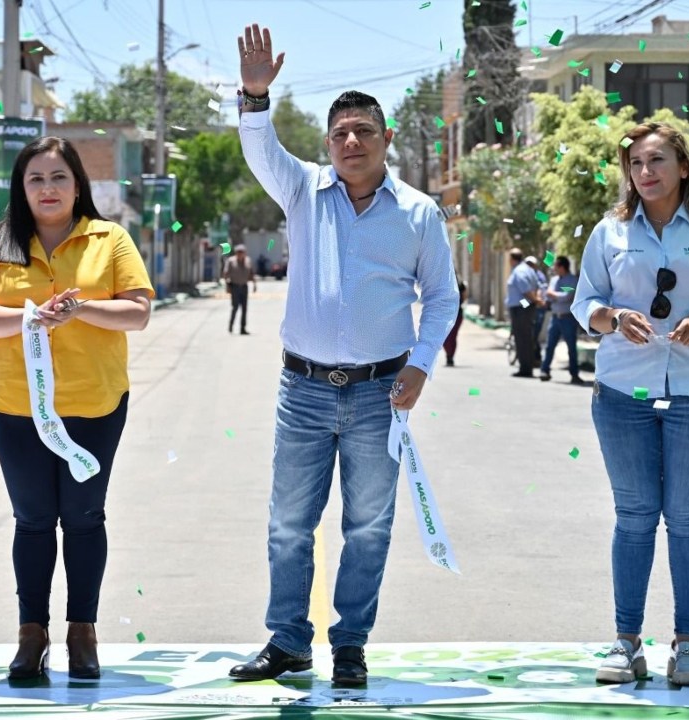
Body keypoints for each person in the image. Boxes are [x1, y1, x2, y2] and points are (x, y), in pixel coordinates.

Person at [228, 24, 459, 687]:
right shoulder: (302, 190)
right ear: (327, 147)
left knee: (367, 527)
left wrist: (420, 365)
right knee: (289, 524)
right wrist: (253, 94)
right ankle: (288, 642)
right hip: (301, 391)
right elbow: (259, 148)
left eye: (363, 131)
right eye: (339, 134)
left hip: (378, 394)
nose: (350, 142)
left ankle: (350, 645)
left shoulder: (417, 215)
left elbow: (441, 297)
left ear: (386, 141)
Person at [0, 136, 154, 681]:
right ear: (22, 188)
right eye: (35, 179)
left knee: (85, 518)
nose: (48, 189)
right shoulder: (0, 242)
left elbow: (137, 313)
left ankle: (82, 634)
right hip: (17, 406)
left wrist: (82, 308)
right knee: (34, 520)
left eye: (58, 177)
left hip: (94, 405)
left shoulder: (108, 238)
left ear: (77, 185)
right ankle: (31, 635)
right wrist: (31, 319)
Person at [571, 121, 689, 687]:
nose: (645, 172)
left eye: (656, 161)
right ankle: (627, 643)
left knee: (688, 519)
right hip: (622, 394)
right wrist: (614, 318)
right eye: (635, 164)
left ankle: (688, 647)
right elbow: (586, 305)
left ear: (683, 166)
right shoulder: (609, 232)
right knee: (633, 519)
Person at [540, 256, 585, 385]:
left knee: (571, 347)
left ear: (562, 267)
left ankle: (574, 374)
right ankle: (545, 370)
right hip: (555, 317)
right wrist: (548, 297)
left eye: (556, 266)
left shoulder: (573, 281)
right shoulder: (553, 280)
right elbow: (549, 296)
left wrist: (552, 294)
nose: (554, 269)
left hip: (567, 318)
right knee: (549, 346)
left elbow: (566, 297)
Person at [505, 248, 541, 377]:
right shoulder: (528, 269)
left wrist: (535, 300)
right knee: (525, 338)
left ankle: (525, 368)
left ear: (512, 258)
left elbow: (525, 289)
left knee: (522, 338)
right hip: (525, 306)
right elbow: (536, 286)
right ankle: (526, 366)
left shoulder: (519, 271)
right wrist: (535, 300)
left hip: (521, 308)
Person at [222, 243, 257, 334]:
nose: (240, 254)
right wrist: (227, 286)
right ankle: (231, 325)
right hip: (235, 286)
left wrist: (254, 285)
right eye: (238, 252)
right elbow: (226, 274)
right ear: (236, 253)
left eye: (242, 252)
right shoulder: (231, 261)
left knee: (244, 308)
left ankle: (243, 328)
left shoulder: (248, 261)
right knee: (235, 307)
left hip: (244, 286)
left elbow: (252, 273)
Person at [525, 255, 548, 366]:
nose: (529, 266)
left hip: (538, 307)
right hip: (528, 305)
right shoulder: (524, 275)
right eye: (528, 264)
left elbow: (541, 290)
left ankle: (536, 357)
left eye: (531, 264)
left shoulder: (540, 276)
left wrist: (537, 299)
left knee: (534, 333)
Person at [442, 278, 468, 366]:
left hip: (455, 314)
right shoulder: (446, 284)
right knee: (449, 336)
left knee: (451, 336)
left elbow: (464, 297)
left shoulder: (459, 285)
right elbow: (464, 297)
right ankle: (449, 355)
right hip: (449, 314)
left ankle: (450, 357)